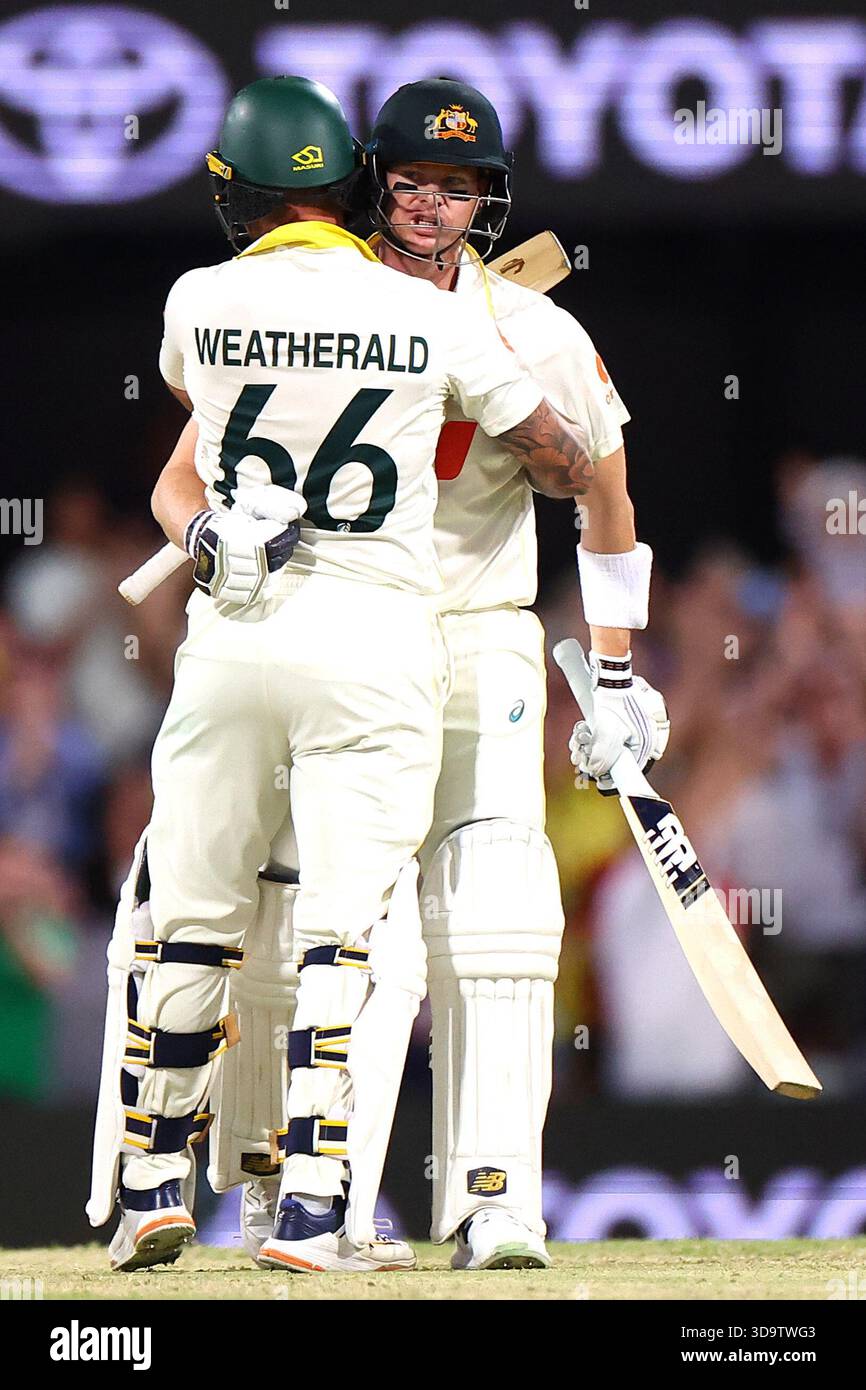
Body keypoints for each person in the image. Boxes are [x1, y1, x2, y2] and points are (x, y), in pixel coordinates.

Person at [86, 75, 595, 1276]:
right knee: (342, 934)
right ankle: (315, 1208)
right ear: (356, 186)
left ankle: (156, 1178)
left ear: (237, 194)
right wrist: (520, 411)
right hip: (374, 640)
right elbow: (566, 464)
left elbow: (200, 425)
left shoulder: (195, 298)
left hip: (228, 633)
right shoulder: (432, 317)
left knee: (199, 914)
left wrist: (210, 529)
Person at [197, 77, 668, 1271]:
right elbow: (182, 471)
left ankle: (496, 1198)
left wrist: (613, 678)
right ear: (368, 184)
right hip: (332, 626)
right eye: (408, 181)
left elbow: (602, 488)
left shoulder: (536, 330)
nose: (428, 206)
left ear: (488, 200)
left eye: (455, 186)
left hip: (474, 630)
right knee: (316, 914)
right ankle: (292, 1197)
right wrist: (210, 534)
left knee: (499, 898)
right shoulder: (299, 305)